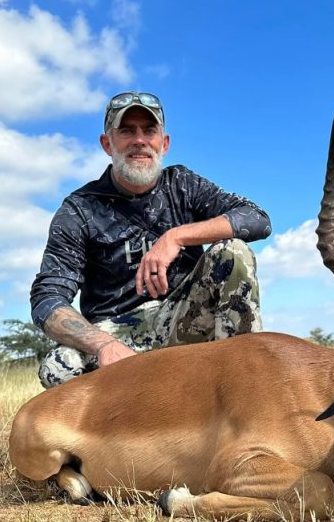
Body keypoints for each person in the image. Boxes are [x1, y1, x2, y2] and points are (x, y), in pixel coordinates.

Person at [31, 91, 272, 388]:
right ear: (107, 144)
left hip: (186, 319)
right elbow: (47, 298)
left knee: (233, 252)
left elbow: (257, 219)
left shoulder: (182, 184)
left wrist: (176, 236)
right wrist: (103, 345)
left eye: (149, 130)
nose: (139, 140)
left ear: (164, 143)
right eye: (126, 131)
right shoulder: (79, 209)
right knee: (58, 368)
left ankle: (243, 390)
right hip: (117, 335)